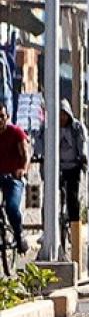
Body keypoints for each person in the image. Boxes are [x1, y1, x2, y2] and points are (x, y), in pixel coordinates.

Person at [0, 102, 31, 254]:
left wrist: (22, 170)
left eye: (2, 117)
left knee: (12, 207)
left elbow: (26, 155)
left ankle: (19, 236)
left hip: (13, 177)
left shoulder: (16, 132)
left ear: (7, 117)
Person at [57, 100, 87, 252]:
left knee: (72, 200)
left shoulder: (76, 128)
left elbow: (83, 144)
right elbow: (41, 142)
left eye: (64, 115)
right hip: (56, 167)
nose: (62, 118)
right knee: (51, 198)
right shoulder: (51, 128)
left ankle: (75, 233)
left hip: (73, 167)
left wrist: (82, 157)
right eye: (59, 115)